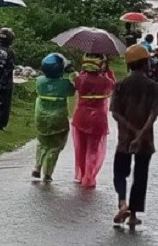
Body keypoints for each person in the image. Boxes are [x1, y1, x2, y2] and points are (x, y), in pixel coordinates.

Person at [111, 45, 158, 229]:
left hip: (124, 139)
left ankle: (122, 202)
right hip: (145, 141)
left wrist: (130, 131)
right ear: (144, 63)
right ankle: (132, 215)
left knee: (119, 173)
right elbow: (154, 114)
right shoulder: (154, 87)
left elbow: (115, 113)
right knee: (140, 176)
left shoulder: (120, 85)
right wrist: (140, 135)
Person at [72, 55, 116, 188]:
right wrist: (107, 72)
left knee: (81, 147)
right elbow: (114, 85)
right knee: (93, 149)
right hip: (97, 118)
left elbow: (77, 84)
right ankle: (89, 177)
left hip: (81, 116)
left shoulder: (79, 79)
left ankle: (82, 174)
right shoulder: (106, 82)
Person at [32, 53, 75, 182]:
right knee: (55, 146)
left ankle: (37, 166)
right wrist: (72, 74)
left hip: (41, 116)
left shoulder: (39, 81)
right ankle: (47, 173)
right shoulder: (65, 84)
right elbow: (73, 90)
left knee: (42, 142)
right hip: (59, 118)